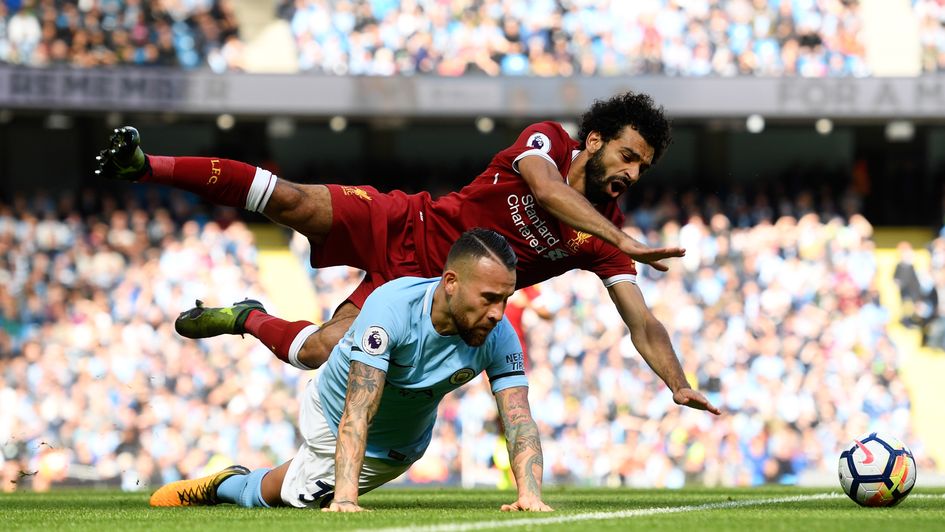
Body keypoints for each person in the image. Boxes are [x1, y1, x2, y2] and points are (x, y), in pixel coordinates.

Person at [96, 91, 719, 414]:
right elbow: (548, 191)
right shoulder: (548, 143)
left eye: (645, 166)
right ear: (595, 140)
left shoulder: (603, 240)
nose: (635, 174)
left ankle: (244, 317)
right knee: (290, 200)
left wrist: (678, 383)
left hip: (421, 293)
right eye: (629, 156)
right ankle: (145, 164)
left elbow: (644, 321)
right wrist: (621, 237)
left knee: (319, 352)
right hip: (404, 221)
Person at [148, 229, 553, 512]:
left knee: (306, 489)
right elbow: (358, 408)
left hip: (398, 450)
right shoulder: (392, 308)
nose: (498, 312)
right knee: (291, 497)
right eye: (488, 298)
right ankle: (226, 485)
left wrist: (530, 494)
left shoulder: (499, 335)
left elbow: (518, 418)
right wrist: (345, 497)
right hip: (332, 413)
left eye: (505, 298)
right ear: (450, 282)